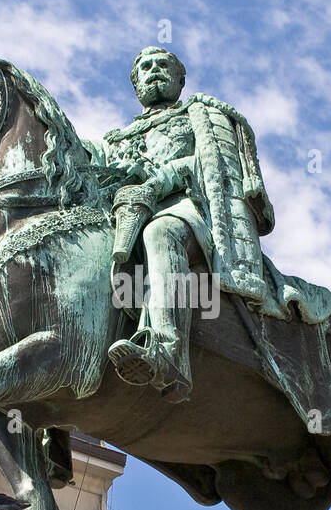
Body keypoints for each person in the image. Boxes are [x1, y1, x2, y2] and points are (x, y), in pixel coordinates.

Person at [92, 47, 275, 403]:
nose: (154, 71)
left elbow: (212, 166)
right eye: (145, 67)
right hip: (126, 218)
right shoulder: (113, 139)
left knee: (160, 232)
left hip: (190, 212)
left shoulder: (202, 118)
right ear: (135, 83)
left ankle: (167, 353)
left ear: (180, 80)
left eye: (164, 66)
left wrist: (159, 180)